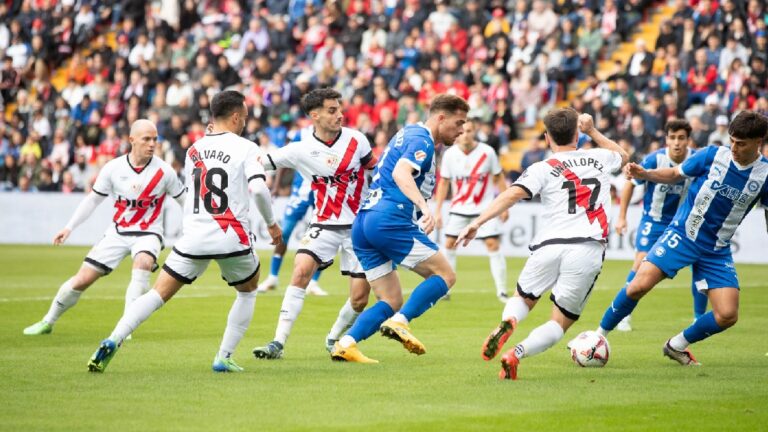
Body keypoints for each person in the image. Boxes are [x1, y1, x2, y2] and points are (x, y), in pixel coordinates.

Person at [87, 90, 282, 373]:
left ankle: (114, 338)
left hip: (193, 237)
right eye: (245, 118)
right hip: (231, 237)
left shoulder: (194, 150)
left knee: (156, 295)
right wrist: (271, 224)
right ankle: (223, 356)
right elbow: (259, 189)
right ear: (237, 117)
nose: (245, 123)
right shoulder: (247, 148)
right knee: (248, 291)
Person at [457, 109, 628, 380]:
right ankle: (516, 353)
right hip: (587, 248)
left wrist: (477, 223)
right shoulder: (600, 157)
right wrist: (593, 132)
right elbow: (624, 156)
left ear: (547, 138)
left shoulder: (541, 168)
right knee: (560, 322)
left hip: (548, 245)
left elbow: (512, 194)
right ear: (577, 134)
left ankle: (508, 321)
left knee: (522, 299)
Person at [597, 110, 768, 366]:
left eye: (741, 144)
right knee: (637, 285)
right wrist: (646, 174)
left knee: (727, 315)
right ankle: (598, 337)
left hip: (717, 249)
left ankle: (676, 345)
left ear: (759, 142)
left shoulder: (764, 175)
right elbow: (676, 174)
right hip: (683, 235)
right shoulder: (713, 155)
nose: (733, 147)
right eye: (732, 140)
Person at [330, 94, 468, 364]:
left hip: (365, 221)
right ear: (441, 118)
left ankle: (345, 344)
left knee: (390, 298)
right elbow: (401, 173)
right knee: (445, 275)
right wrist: (425, 208)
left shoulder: (408, 132)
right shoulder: (423, 141)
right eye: (459, 122)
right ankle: (402, 322)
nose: (462, 130)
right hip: (390, 218)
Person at [23, 119, 185, 336]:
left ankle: (126, 328)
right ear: (131, 140)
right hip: (117, 233)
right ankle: (47, 321)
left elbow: (185, 202)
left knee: (143, 262)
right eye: (146, 139)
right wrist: (69, 227)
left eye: (155, 139)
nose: (152, 144)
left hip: (149, 233)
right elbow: (92, 201)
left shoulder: (165, 172)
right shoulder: (113, 168)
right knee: (82, 280)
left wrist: (197, 226)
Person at [252, 88, 378, 359]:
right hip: (324, 223)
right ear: (315, 115)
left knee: (359, 298)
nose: (340, 115)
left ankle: (334, 337)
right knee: (300, 271)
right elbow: (259, 162)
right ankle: (278, 342)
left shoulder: (358, 141)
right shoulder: (300, 148)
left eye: (340, 109)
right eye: (332, 111)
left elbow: (375, 173)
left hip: (360, 226)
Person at [613, 119, 707, 331]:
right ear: (666, 139)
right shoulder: (655, 159)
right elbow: (630, 183)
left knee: (700, 265)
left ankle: (698, 318)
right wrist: (622, 216)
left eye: (681, 138)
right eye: (672, 138)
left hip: (685, 224)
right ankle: (623, 315)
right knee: (640, 263)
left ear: (688, 140)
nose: (676, 143)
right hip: (654, 221)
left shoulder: (698, 160)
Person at [434, 118, 509, 303]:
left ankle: (502, 291)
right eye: (463, 131)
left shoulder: (487, 152)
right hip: (459, 208)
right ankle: (445, 290)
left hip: (484, 209)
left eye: (469, 131)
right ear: (459, 133)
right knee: (450, 243)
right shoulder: (450, 154)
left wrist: (505, 205)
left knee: (493, 244)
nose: (465, 134)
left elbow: (499, 177)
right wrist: (437, 211)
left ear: (474, 131)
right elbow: (443, 183)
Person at [257, 127, 327, 296]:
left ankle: (314, 282)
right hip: (300, 190)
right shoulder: (301, 134)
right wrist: (276, 186)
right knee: (285, 232)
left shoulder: (336, 134)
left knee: (324, 235)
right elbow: (284, 158)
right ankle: (273, 277)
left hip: (325, 191)